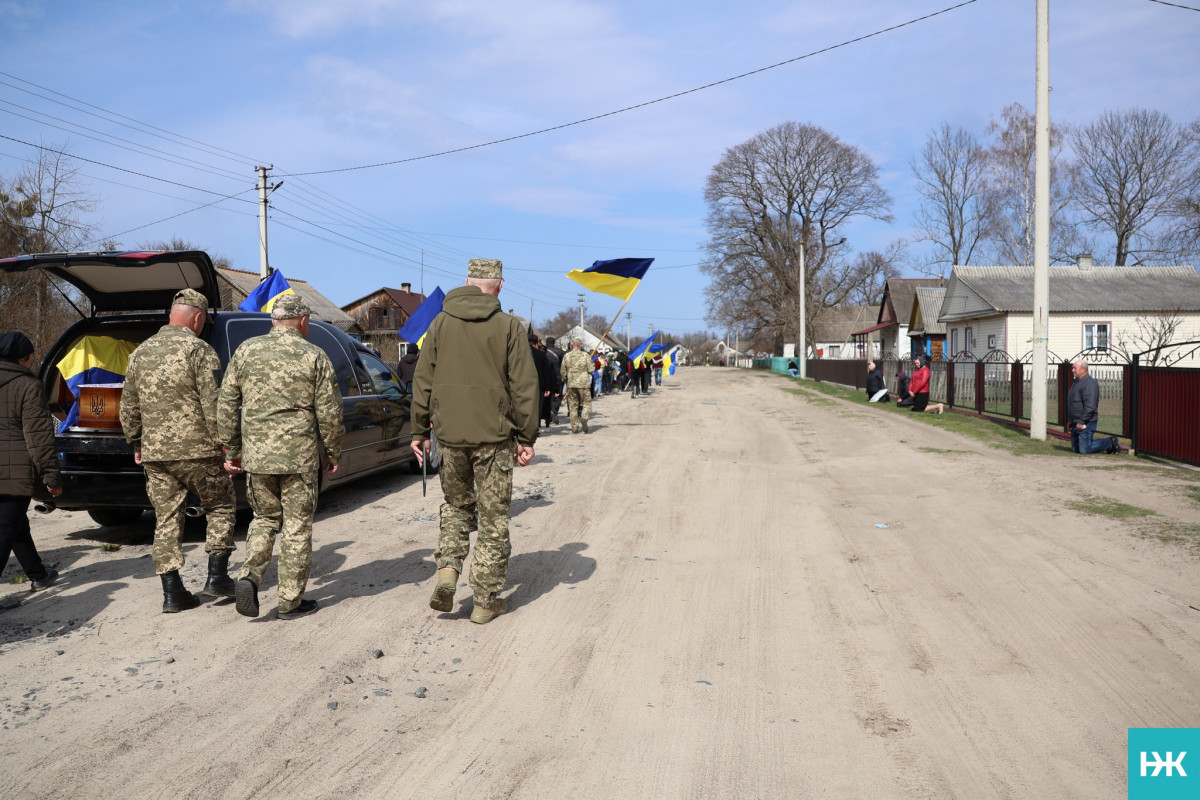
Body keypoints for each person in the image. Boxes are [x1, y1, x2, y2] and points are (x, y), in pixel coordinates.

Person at [409, 257, 539, 624]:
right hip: (494, 438)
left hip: (449, 435)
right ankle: (484, 602)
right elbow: (525, 386)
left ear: (466, 281)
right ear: (500, 285)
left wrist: (419, 431)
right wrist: (527, 436)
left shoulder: (440, 323)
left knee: (455, 506)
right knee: (493, 519)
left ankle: (448, 569)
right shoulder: (509, 327)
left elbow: (422, 380)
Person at [218, 294, 345, 621]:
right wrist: (332, 453)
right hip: (298, 459)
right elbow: (330, 413)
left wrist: (232, 451)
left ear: (273, 321)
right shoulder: (314, 355)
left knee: (264, 519)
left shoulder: (245, 351)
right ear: (303, 322)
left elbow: (226, 404)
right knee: (297, 528)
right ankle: (289, 602)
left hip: (257, 458)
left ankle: (249, 576)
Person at [120, 288, 237, 613]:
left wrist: (137, 443)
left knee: (167, 517)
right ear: (197, 318)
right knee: (221, 505)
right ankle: (216, 577)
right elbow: (213, 403)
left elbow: (128, 407)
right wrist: (227, 446)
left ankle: (172, 593)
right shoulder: (199, 351)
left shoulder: (139, 353)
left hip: (157, 454)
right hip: (199, 451)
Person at [0, 332, 62, 592]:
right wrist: (51, 477)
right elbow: (39, 438)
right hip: (13, 475)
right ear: (24, 359)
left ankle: (38, 574)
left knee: (15, 525)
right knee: (5, 531)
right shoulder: (28, 385)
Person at [1067, 359, 1121, 454]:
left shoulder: (1090, 383)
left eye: (1075, 368)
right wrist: (1071, 420)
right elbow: (1074, 402)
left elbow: (1090, 406)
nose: (1072, 370)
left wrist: (1082, 421)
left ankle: (1110, 443)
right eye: (1072, 368)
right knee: (1075, 449)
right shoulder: (1077, 382)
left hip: (1086, 422)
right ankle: (1104, 443)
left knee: (1084, 449)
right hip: (1076, 422)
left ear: (1083, 369)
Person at [560, 338, 595, 434]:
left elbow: (562, 370)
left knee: (573, 406)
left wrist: (564, 378)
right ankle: (584, 417)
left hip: (571, 384)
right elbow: (591, 369)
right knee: (587, 403)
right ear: (580, 346)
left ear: (571, 346)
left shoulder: (566, 356)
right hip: (583, 384)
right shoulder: (585, 355)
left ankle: (574, 427)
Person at [529, 334, 555, 428]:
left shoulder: (519, 354)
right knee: (538, 407)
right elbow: (546, 372)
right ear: (536, 344)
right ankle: (537, 427)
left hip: (523, 385)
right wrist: (548, 388)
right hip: (539, 385)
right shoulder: (541, 355)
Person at [544, 336, 565, 423]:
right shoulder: (559, 352)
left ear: (546, 343)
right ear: (554, 343)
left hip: (546, 376)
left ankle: (547, 413)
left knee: (547, 395)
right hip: (557, 376)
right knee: (558, 395)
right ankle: (554, 411)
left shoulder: (543, 351)